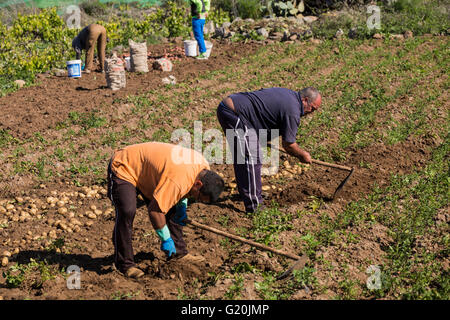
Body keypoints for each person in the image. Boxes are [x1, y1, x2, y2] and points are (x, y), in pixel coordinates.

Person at [107, 142, 225, 278]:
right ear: (199, 184)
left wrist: (181, 207)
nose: (196, 200)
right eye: (198, 197)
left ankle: (178, 254)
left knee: (173, 209)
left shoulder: (203, 168)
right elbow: (155, 211)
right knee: (127, 211)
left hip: (151, 174)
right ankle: (125, 264)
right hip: (125, 166)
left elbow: (183, 189)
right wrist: (166, 239)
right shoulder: (179, 179)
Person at [216, 87, 322, 213]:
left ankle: (248, 193)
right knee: (252, 157)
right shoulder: (293, 110)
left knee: (244, 155)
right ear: (305, 100)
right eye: (312, 108)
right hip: (234, 113)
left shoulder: (290, 96)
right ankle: (255, 206)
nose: (311, 112)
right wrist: (302, 155)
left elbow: (263, 111)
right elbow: (288, 145)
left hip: (231, 108)